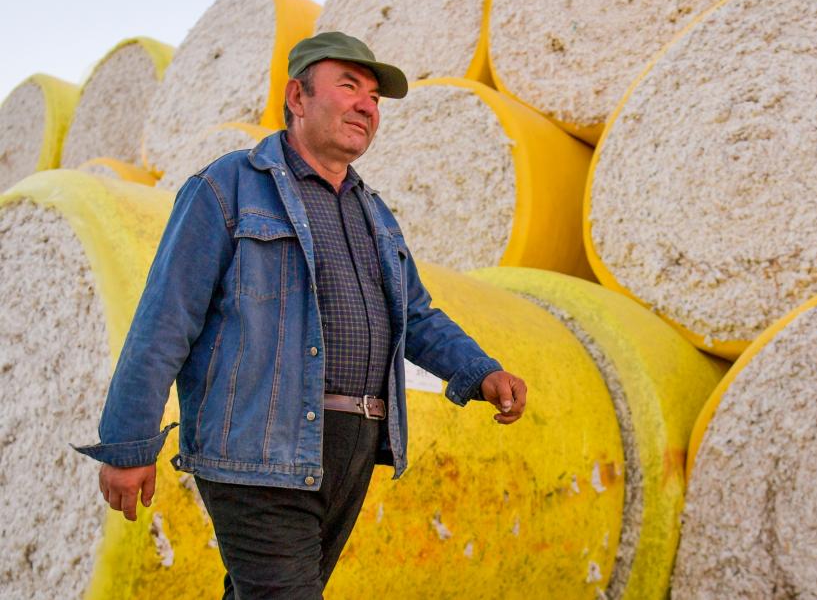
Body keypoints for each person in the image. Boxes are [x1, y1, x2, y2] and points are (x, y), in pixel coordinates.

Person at [74, 31, 528, 599]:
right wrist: (128, 444)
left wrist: (481, 371)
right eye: (350, 87)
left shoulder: (374, 213)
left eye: (374, 98)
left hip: (352, 450)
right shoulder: (228, 186)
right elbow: (165, 319)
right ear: (297, 96)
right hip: (260, 450)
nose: (367, 105)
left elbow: (414, 315)